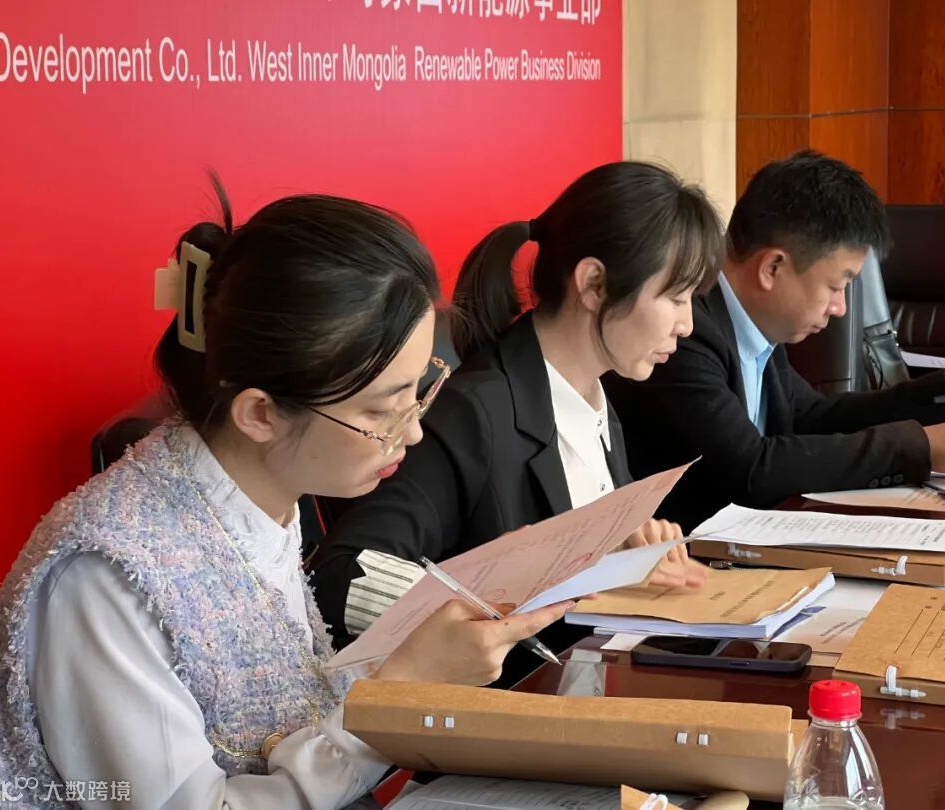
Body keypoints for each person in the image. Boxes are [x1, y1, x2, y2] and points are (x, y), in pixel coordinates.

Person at [0, 183, 572, 809]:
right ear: (261, 414)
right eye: (382, 410)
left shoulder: (255, 499)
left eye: (420, 389)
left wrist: (413, 664)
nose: (413, 431)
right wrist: (397, 692)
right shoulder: (107, 575)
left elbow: (284, 710)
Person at [310, 161, 725, 671]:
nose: (687, 324)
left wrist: (624, 556)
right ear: (594, 283)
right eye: (676, 298)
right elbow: (342, 575)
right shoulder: (474, 413)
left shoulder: (597, 399)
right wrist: (496, 592)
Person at [603, 150, 945, 531]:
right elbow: (750, 468)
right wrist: (922, 447)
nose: (840, 309)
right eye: (836, 286)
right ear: (772, 268)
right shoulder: (685, 334)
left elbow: (811, 416)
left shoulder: (750, 322)